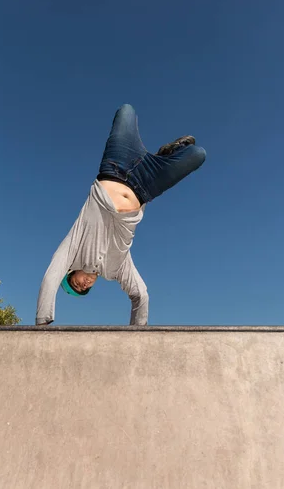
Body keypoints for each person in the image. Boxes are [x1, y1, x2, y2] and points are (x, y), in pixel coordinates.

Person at [36, 104, 206, 326]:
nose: (84, 284)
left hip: (116, 166)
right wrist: (137, 337)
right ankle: (165, 156)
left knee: (126, 110)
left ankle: (160, 155)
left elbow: (51, 276)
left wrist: (42, 323)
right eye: (85, 289)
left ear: (71, 272)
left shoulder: (73, 249)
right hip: (145, 186)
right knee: (197, 154)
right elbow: (140, 294)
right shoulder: (117, 269)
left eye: (77, 284)